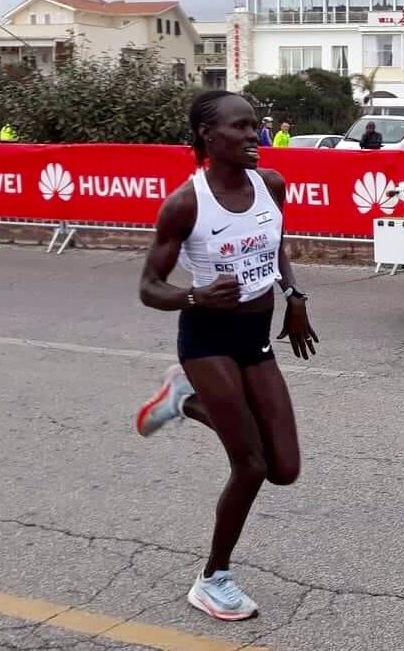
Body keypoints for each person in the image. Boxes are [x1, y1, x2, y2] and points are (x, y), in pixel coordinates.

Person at [134, 89, 319, 622]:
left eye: (254, 125)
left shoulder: (271, 184)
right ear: (207, 136)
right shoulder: (186, 203)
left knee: (284, 468)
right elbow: (149, 287)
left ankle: (184, 401)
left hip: (255, 335)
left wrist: (294, 296)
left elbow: (276, 243)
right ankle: (213, 579)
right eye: (239, 127)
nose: (252, 135)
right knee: (251, 465)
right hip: (207, 339)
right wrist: (194, 296)